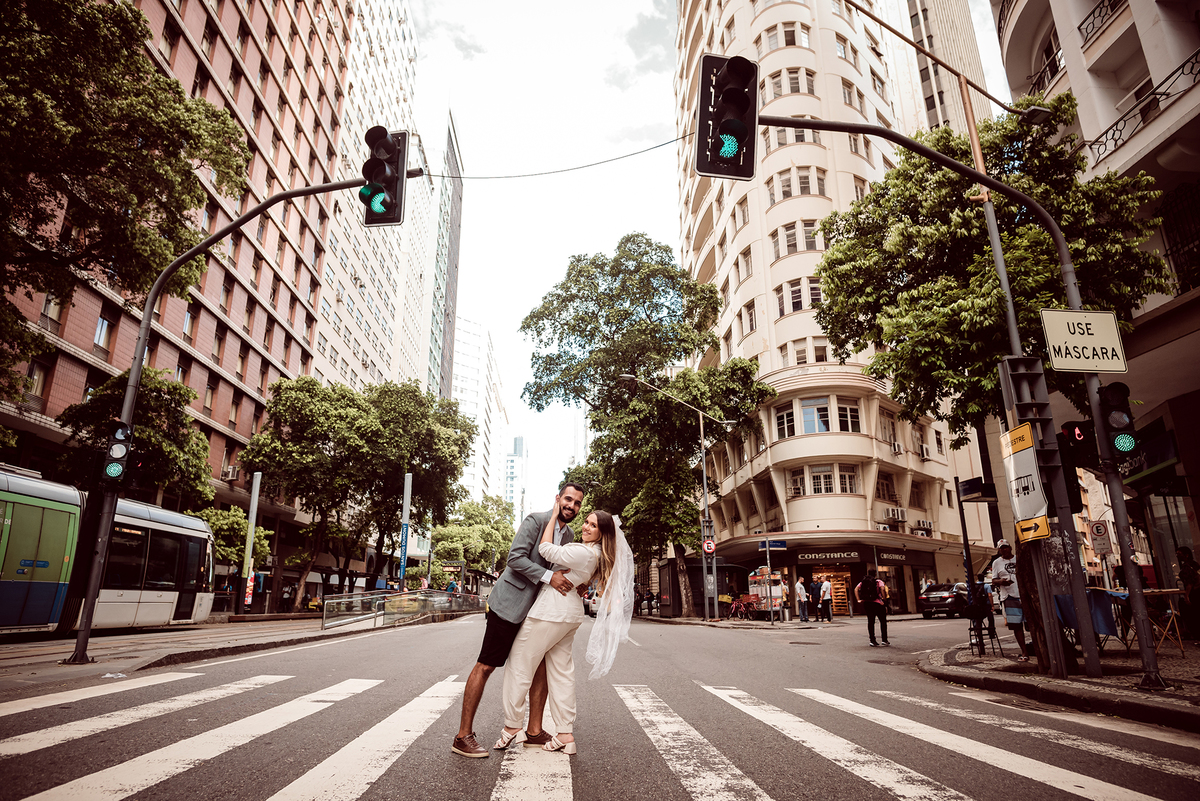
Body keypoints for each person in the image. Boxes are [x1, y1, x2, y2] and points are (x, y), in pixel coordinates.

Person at [451, 483, 583, 758]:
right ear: (557, 498)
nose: (571, 506)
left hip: (539, 612)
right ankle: (463, 736)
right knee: (487, 665)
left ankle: (534, 731)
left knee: (539, 669)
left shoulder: (569, 533)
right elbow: (515, 559)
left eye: (577, 503)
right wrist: (549, 577)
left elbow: (561, 567)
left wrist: (576, 581)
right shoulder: (536, 520)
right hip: (509, 606)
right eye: (568, 499)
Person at [496, 507, 633, 755]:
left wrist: (552, 517)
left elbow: (545, 549)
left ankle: (512, 726)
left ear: (602, 533)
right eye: (587, 522)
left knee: (519, 663)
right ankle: (565, 733)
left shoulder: (582, 551)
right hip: (569, 614)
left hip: (551, 611)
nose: (586, 527)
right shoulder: (598, 553)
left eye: (593, 526)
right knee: (561, 671)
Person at [991, 540, 1030, 662]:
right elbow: (993, 580)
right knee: (1016, 626)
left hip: (1025, 595)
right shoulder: (997, 563)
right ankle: (1024, 652)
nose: (1004, 550)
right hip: (1009, 596)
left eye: (1005, 547)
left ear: (1010, 547)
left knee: (1031, 624)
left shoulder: (1020, 559)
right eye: (1001, 548)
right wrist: (1001, 582)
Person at [855, 569, 889, 646]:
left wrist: (858, 600)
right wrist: (884, 599)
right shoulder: (878, 581)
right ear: (875, 574)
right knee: (883, 621)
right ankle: (884, 640)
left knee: (871, 622)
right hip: (877, 603)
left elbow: (856, 589)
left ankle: (872, 640)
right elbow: (882, 589)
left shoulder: (863, 581)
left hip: (867, 603)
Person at [1176, 547, 1200, 641]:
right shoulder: (1195, 564)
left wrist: (1187, 596)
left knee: (1194, 615)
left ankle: (1197, 636)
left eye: (1179, 554)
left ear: (1186, 555)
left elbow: (1189, 583)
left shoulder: (1187, 567)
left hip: (1194, 593)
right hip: (1197, 591)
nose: (1177, 556)